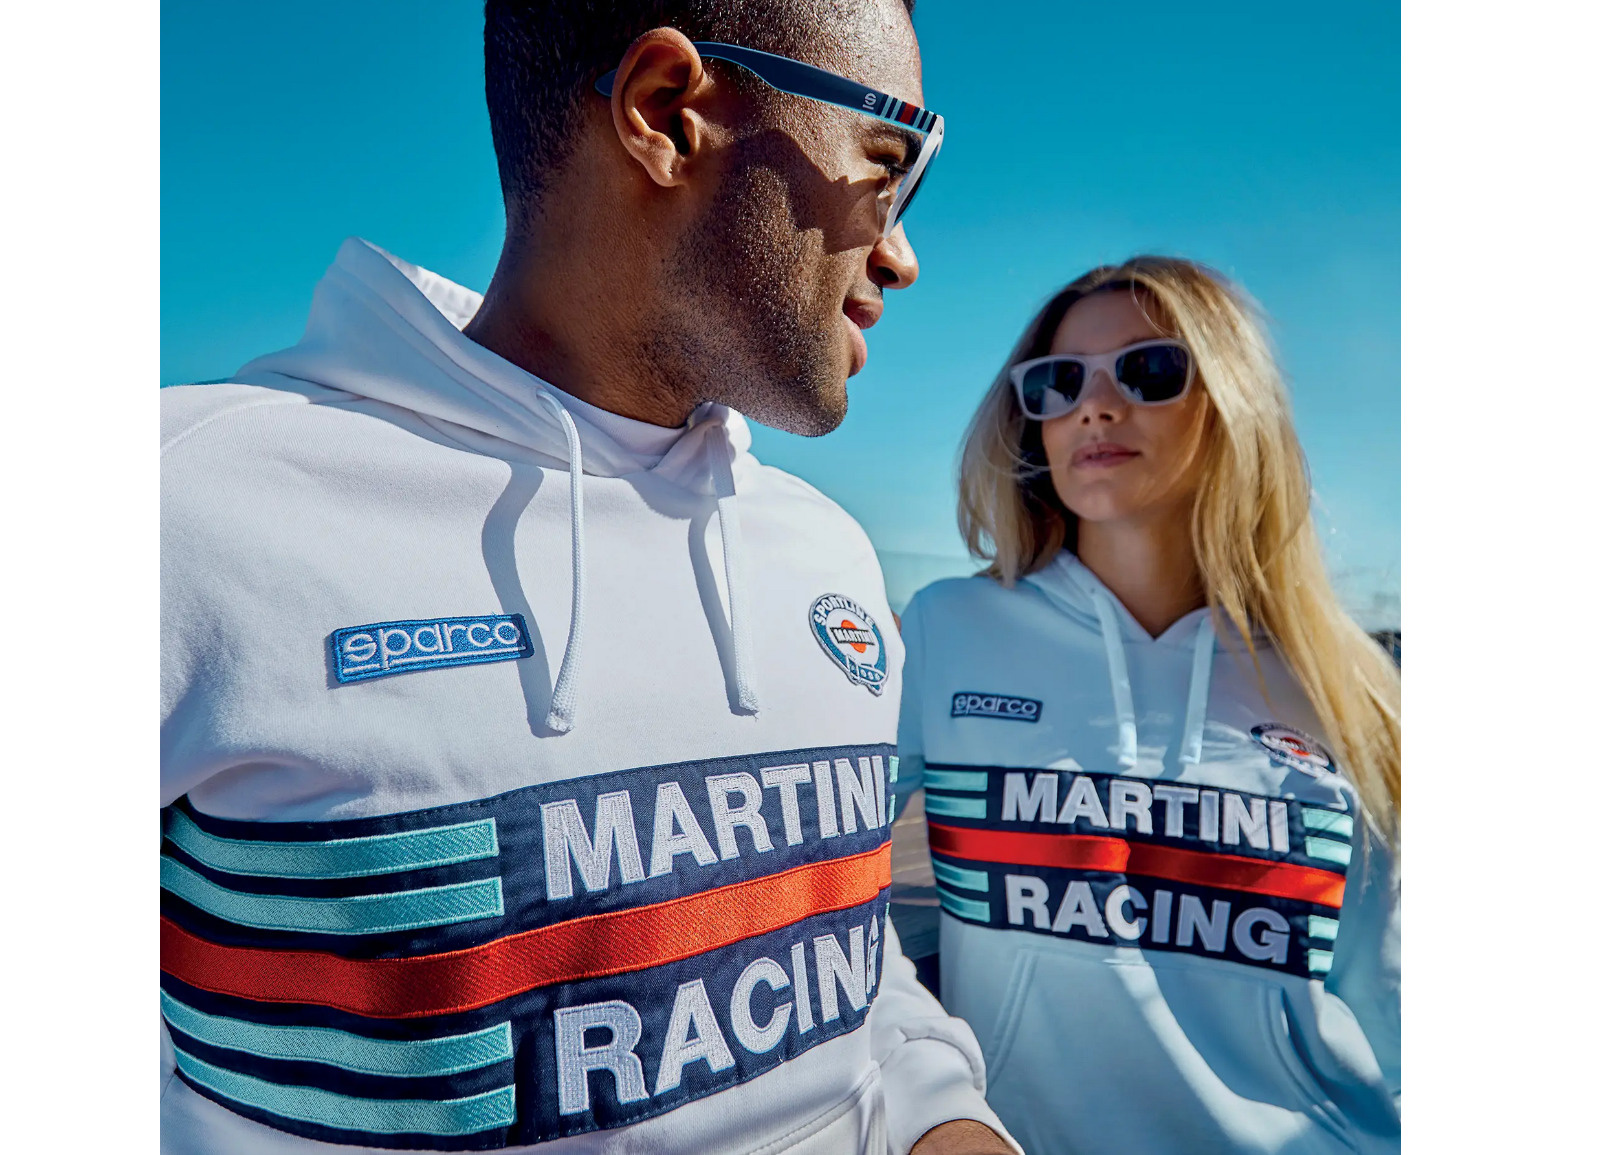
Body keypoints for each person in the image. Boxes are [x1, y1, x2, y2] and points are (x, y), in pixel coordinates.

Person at [159, 3, 1015, 1153]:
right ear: (667, 113)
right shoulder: (180, 503)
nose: (903, 256)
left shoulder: (827, 553)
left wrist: (947, 1118)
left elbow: (851, 969)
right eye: (886, 165)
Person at [894, 257, 1400, 1153]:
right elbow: (824, 911)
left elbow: (1397, 1001)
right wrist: (930, 1105)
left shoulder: (1343, 685)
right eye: (1058, 382)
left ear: (1233, 402)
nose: (1094, 406)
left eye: (1149, 370)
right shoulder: (947, 631)